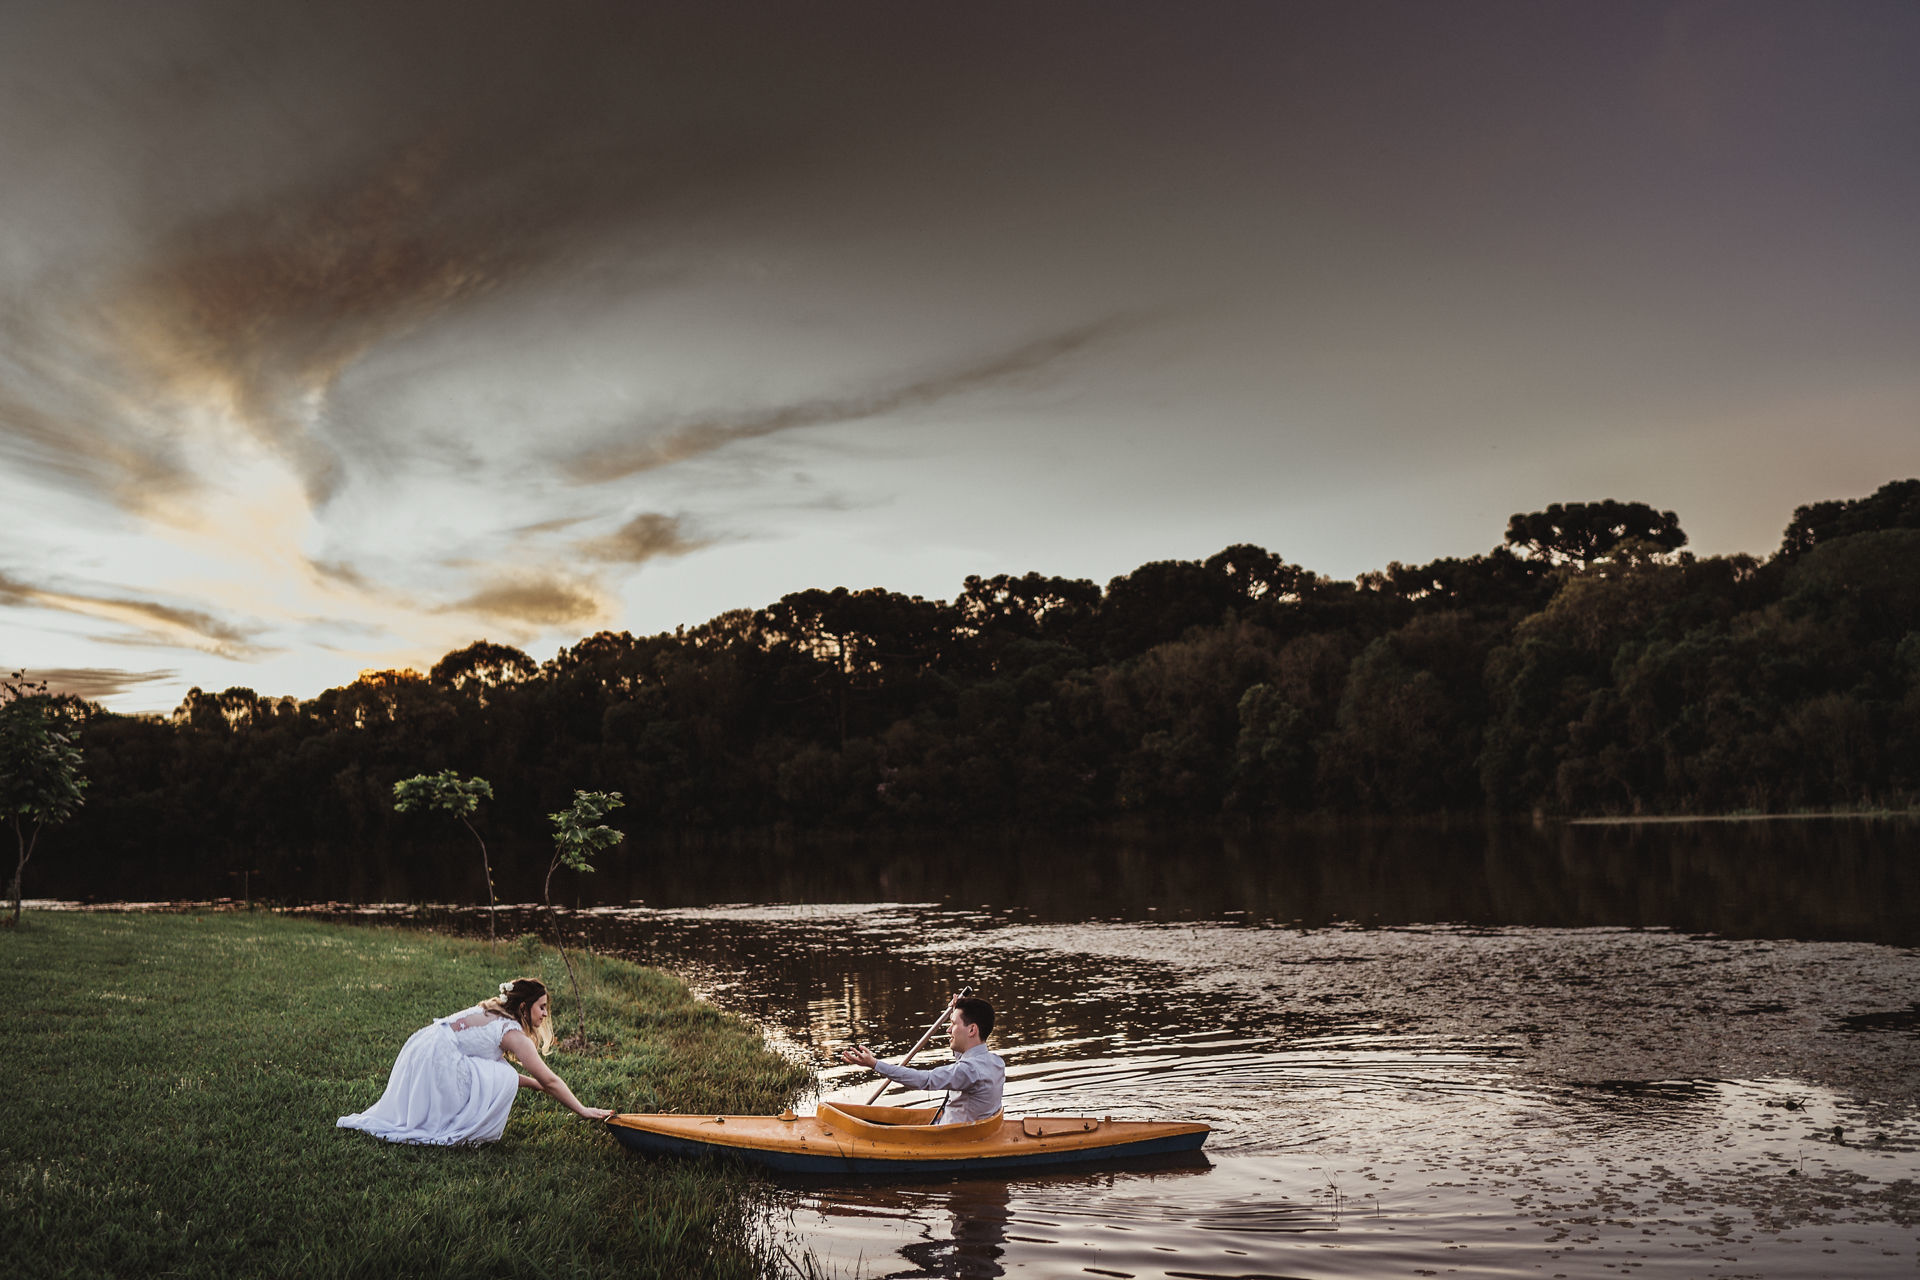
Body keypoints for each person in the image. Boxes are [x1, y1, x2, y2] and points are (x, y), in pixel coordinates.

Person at [338, 977, 612, 1145]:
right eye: (542, 1007)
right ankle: (462, 1126)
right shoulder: (512, 1032)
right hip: (437, 1061)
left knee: (501, 1071)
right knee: (504, 1075)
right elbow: (549, 1079)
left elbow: (520, 1077)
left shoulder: (493, 1011)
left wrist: (536, 1085)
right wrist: (583, 1109)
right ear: (522, 1008)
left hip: (421, 1048)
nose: (544, 1015)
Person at [841, 995, 1004, 1124]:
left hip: (953, 1141)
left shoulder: (969, 1070)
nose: (948, 1030)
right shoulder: (996, 1062)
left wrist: (874, 1064)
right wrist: (957, 1010)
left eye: (953, 1023)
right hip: (974, 1130)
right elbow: (966, 1062)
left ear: (972, 1030)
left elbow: (925, 1080)